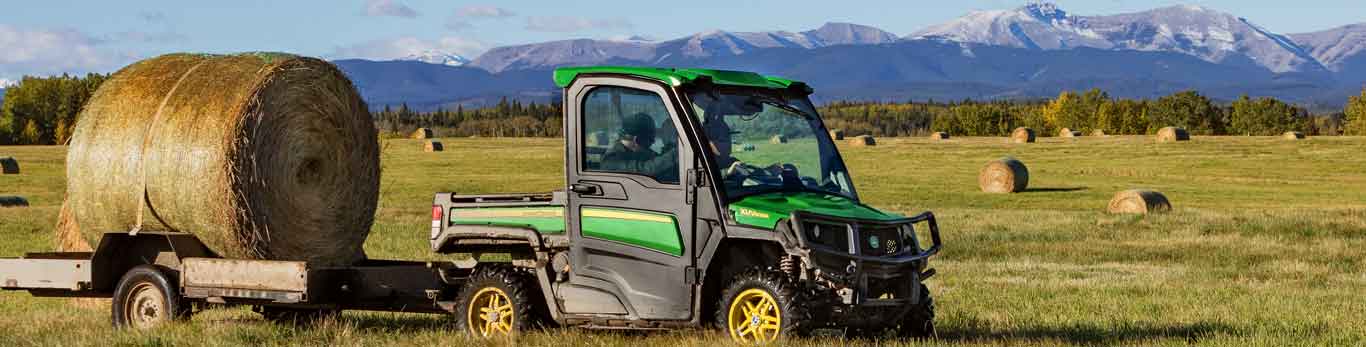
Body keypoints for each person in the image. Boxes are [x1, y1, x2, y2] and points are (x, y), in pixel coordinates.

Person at [601, 113, 679, 184]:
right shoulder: (611, 161)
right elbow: (647, 169)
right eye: (650, 139)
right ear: (638, 140)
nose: (653, 142)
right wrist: (676, 152)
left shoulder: (639, 152)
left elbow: (657, 160)